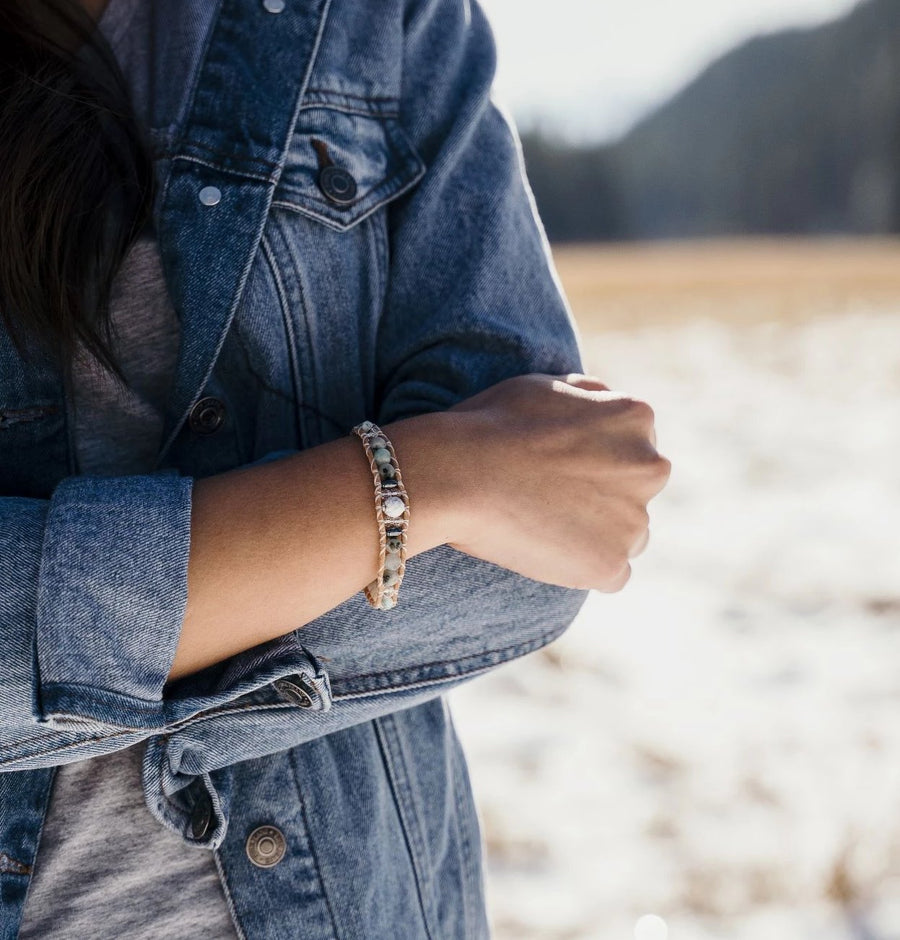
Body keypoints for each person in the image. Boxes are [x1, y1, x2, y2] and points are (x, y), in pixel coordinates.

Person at [0, 0, 670, 937]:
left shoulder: (373, 18)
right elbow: (503, 482)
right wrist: (434, 479)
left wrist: (57, 654)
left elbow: (549, 529)